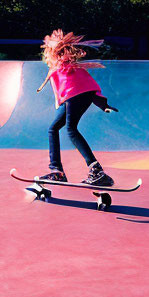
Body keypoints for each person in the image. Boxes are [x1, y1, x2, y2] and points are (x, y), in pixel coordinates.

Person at [35, 29, 117, 187]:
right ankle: (58, 171)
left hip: (74, 96)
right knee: (53, 128)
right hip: (81, 96)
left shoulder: (59, 67)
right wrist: (102, 104)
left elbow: (61, 91)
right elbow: (88, 86)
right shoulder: (74, 67)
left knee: (70, 130)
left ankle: (94, 170)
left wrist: (102, 104)